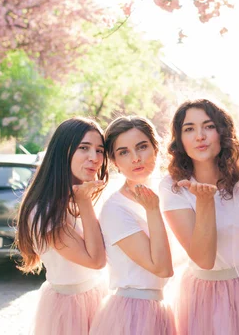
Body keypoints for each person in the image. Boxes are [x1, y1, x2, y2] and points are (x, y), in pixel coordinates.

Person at [159, 99, 239, 335]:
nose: (200, 136)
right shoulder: (173, 186)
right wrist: (204, 202)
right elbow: (203, 259)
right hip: (204, 296)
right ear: (180, 139)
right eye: (189, 129)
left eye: (208, 126)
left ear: (222, 132)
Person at [15, 117, 110, 335]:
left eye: (99, 150)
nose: (94, 158)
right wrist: (85, 201)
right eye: (84, 148)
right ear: (63, 151)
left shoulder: (80, 196)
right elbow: (96, 261)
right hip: (69, 310)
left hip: (99, 296)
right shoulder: (43, 210)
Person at [90, 116, 175, 335]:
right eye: (124, 152)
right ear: (115, 162)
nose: (136, 158)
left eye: (142, 147)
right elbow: (162, 268)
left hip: (161, 307)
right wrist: (153, 210)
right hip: (132, 314)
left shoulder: (171, 194)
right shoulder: (115, 209)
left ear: (156, 149)